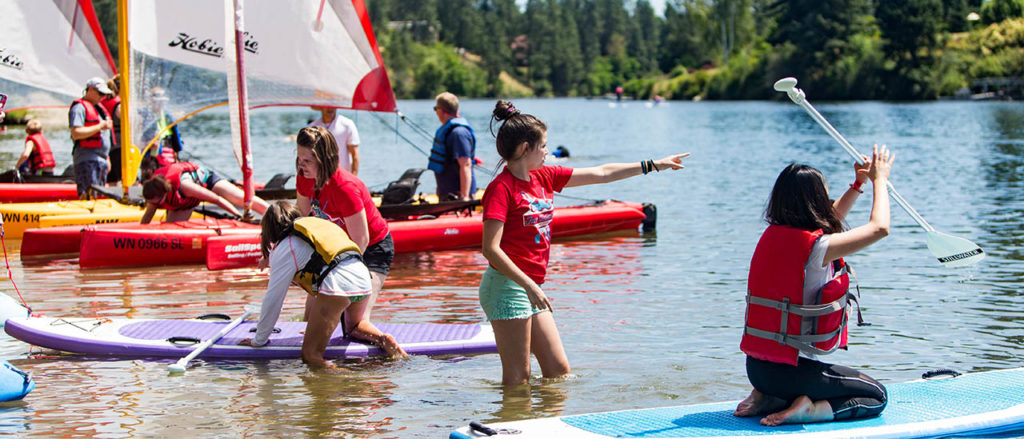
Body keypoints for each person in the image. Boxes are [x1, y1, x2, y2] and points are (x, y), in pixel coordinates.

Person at [480, 100, 689, 386]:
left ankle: (545, 427)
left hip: (531, 287)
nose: (547, 153)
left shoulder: (546, 177)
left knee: (558, 371)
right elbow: (490, 248)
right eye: (543, 146)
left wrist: (651, 165)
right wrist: (529, 285)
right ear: (525, 148)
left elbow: (603, 173)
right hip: (507, 286)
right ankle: (512, 429)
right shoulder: (501, 189)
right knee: (519, 378)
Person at [734, 145, 895, 426]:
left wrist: (858, 185)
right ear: (816, 201)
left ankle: (769, 397)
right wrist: (880, 181)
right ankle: (808, 410)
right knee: (877, 396)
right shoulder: (817, 249)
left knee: (791, 379)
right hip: (791, 373)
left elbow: (828, 222)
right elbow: (879, 228)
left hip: (757, 370)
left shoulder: (775, 236)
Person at [238, 201, 405, 367]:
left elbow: (273, 299)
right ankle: (382, 339)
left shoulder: (284, 246)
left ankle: (354, 383)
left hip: (339, 284)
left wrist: (259, 341)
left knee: (311, 356)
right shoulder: (315, 226)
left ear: (268, 230)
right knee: (354, 327)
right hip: (363, 275)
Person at [295, 126, 392, 321]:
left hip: (373, 249)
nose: (301, 165)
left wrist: (339, 278)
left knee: (355, 322)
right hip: (335, 247)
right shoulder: (305, 178)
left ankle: (392, 349)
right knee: (310, 315)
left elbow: (361, 241)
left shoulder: (345, 188)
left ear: (323, 161)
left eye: (307, 161)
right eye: (299, 159)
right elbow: (300, 220)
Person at [140, 161, 269, 224]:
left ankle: (274, 213)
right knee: (172, 228)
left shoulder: (186, 187)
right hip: (187, 200)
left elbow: (217, 199)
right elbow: (147, 218)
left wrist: (239, 217)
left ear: (164, 194)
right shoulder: (153, 195)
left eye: (157, 203)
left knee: (239, 198)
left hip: (206, 179)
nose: (155, 206)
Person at [69, 77, 113, 199]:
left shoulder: (98, 109)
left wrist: (107, 157)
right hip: (87, 159)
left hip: (101, 160)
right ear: (90, 90)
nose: (102, 97)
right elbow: (76, 133)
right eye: (100, 93)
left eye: (104, 94)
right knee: (87, 194)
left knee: (98, 196)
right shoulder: (79, 108)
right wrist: (100, 126)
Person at [428, 92, 476, 201]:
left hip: (457, 197)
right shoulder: (449, 131)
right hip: (447, 194)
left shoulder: (459, 133)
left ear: (441, 111)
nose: (436, 112)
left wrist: (465, 197)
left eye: (436, 108)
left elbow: (466, 165)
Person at [308, 106, 360, 175]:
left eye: (333, 105)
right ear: (321, 107)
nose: (330, 108)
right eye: (327, 105)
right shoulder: (312, 127)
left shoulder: (347, 124)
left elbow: (355, 155)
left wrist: (354, 178)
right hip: (320, 176)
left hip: (343, 176)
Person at [140, 87, 184, 166]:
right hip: (152, 154)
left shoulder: (167, 115)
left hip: (167, 151)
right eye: (157, 102)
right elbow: (137, 140)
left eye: (162, 102)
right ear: (151, 102)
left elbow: (175, 137)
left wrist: (176, 154)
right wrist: (148, 144)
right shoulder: (144, 115)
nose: (160, 105)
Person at [100, 75, 123, 183]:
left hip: (106, 145)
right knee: (121, 179)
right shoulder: (118, 105)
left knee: (111, 179)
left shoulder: (103, 101)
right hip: (118, 146)